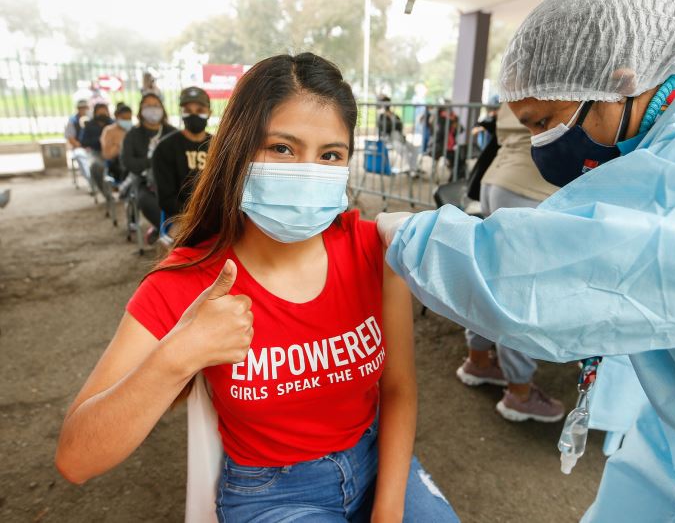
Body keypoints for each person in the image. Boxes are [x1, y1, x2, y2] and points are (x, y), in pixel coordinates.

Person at [378, 0, 675, 522]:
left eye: (545, 122)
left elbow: (550, 276)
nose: (540, 144)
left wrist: (405, 235)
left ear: (619, 82)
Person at [56, 53, 459, 523]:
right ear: (237, 150)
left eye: (330, 154)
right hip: (274, 494)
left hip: (377, 462)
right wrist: (177, 355)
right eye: (283, 149)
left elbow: (398, 387)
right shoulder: (189, 280)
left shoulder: (372, 247)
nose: (308, 171)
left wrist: (388, 511)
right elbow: (76, 458)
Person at [457, 103, 563, 423]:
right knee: (520, 293)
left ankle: (479, 360)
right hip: (532, 184)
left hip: (499, 179)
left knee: (492, 280)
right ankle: (519, 393)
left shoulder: (525, 69)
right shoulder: (571, 73)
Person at [152, 87, 212, 227]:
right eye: (188, 111)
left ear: (209, 113)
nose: (193, 115)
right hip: (180, 217)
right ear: (181, 113)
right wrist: (195, 216)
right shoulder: (165, 148)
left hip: (216, 216)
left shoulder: (220, 146)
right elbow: (166, 199)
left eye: (200, 111)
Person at [120, 92, 175, 241]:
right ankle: (170, 234)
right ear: (141, 110)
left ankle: (165, 231)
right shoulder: (133, 135)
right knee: (146, 200)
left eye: (156, 106)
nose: (153, 109)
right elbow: (129, 162)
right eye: (148, 106)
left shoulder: (172, 133)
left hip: (171, 181)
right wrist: (152, 161)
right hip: (143, 181)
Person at [79, 102, 113, 199]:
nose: (102, 115)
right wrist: (100, 139)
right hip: (96, 152)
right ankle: (106, 194)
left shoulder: (112, 123)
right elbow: (83, 142)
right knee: (95, 166)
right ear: (95, 113)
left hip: (112, 152)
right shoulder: (89, 125)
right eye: (100, 113)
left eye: (104, 112)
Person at [99, 102, 132, 184]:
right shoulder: (108, 131)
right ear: (117, 117)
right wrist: (120, 145)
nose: (127, 121)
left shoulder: (133, 130)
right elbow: (107, 155)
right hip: (116, 163)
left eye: (129, 119)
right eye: (124, 118)